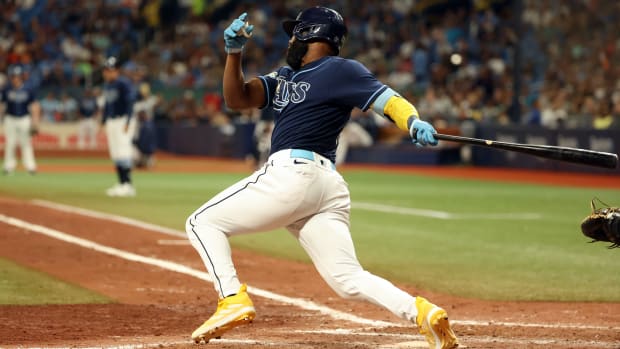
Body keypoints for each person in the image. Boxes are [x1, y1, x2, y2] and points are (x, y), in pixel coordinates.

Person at [185, 7, 458, 349]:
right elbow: (236, 97)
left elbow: (389, 101)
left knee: (200, 222)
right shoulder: (285, 75)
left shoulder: (340, 70)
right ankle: (423, 313)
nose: (290, 39)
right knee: (346, 278)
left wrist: (413, 121)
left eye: (295, 32)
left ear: (312, 33)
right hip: (323, 187)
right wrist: (233, 52)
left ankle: (231, 298)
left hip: (294, 174)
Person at [100, 56, 138, 197]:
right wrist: (103, 121)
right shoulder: (108, 85)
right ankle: (122, 183)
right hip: (112, 121)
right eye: (106, 70)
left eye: (110, 70)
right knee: (116, 153)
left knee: (123, 151)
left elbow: (130, 103)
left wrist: (128, 122)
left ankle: (128, 185)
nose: (108, 73)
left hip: (123, 120)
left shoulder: (123, 83)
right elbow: (107, 105)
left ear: (117, 71)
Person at [1, 65, 41, 175]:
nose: (15, 78)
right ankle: (8, 166)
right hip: (10, 118)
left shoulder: (28, 88)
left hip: (24, 118)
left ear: (22, 77)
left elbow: (34, 106)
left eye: (17, 76)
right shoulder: (6, 88)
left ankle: (30, 166)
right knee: (10, 143)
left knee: (26, 143)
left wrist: (35, 122)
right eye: (13, 76)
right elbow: (2, 105)